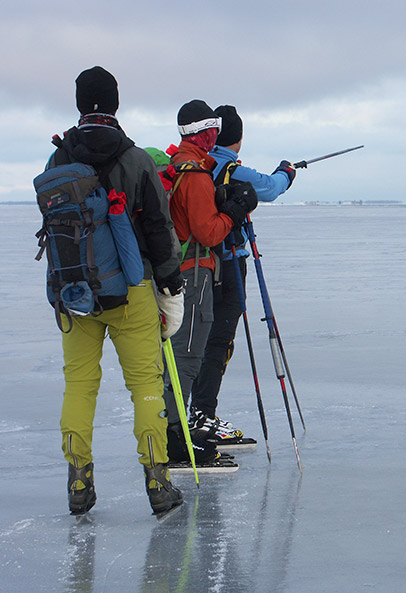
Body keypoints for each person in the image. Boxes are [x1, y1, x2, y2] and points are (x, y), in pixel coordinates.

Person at [47, 66, 185, 516]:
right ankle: (157, 481)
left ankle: (79, 480)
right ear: (116, 103)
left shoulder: (58, 158)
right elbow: (159, 228)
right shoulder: (135, 159)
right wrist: (170, 281)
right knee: (145, 384)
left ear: (79, 103)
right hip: (132, 288)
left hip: (75, 295)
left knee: (79, 386)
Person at [188, 104, 295, 447]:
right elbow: (272, 188)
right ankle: (202, 414)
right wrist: (288, 171)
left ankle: (193, 412)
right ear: (238, 137)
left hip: (197, 265)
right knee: (220, 340)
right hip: (228, 263)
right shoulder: (232, 168)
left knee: (197, 340)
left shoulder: (203, 164)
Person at [162, 100, 258, 470]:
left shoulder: (175, 166)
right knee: (187, 357)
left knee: (177, 356)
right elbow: (208, 231)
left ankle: (175, 431)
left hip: (174, 272)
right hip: (194, 273)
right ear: (206, 133)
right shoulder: (196, 174)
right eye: (213, 130)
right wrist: (233, 212)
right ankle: (177, 441)